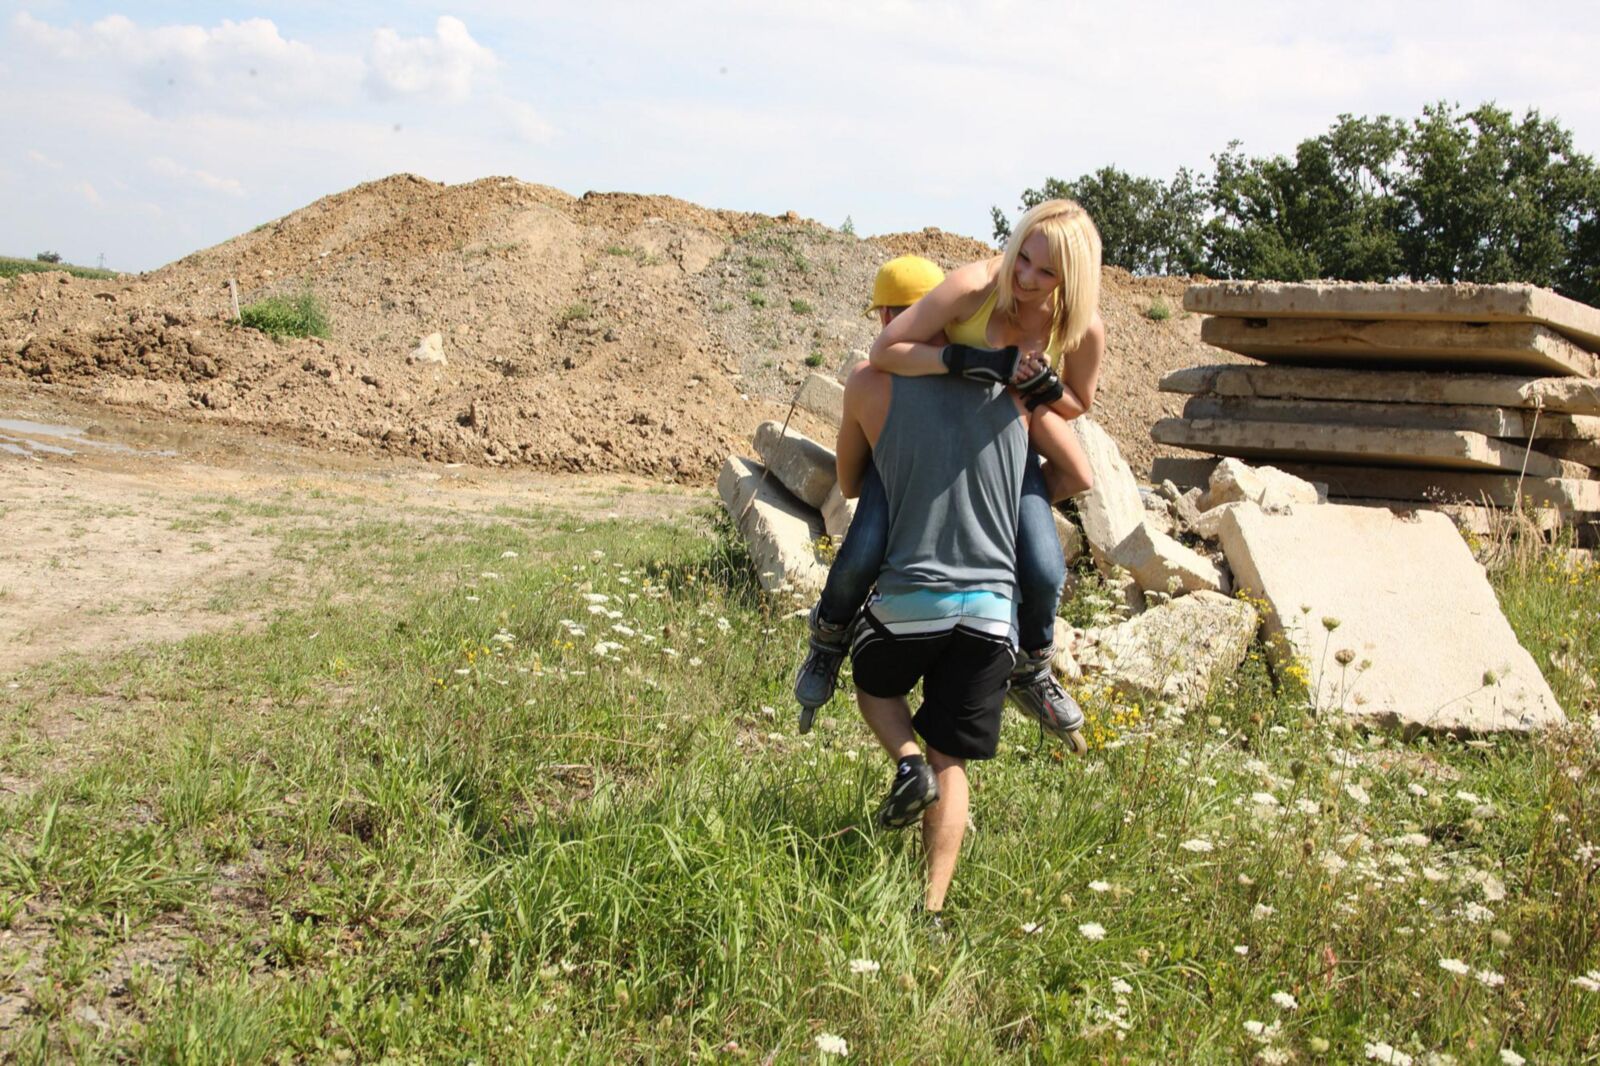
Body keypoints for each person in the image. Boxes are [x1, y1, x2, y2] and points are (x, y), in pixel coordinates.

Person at [795, 201, 1105, 746]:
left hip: (1001, 431)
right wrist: (970, 362)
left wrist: (1044, 390)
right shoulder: (976, 286)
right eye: (1023, 259)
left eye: (1047, 272)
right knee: (864, 549)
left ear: (1071, 279)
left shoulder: (1081, 324)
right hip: (929, 431)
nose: (1028, 278)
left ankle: (1032, 668)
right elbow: (886, 352)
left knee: (1046, 567)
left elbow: (1080, 406)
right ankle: (828, 638)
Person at [835, 351, 1034, 917]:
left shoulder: (872, 383)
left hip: (910, 601)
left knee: (874, 685)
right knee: (953, 760)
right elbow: (1078, 474)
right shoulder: (1015, 390)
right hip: (993, 613)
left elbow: (848, 481)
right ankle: (933, 909)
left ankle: (905, 762)